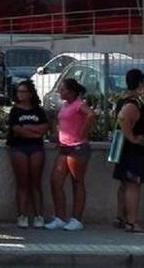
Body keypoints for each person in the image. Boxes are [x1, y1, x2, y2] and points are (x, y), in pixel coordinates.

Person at [45, 78, 95, 231]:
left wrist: (82, 132)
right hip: (64, 147)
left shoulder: (79, 104)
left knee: (77, 182)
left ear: (72, 92)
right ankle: (60, 217)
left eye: (63, 90)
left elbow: (91, 115)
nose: (60, 92)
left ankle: (76, 219)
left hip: (78, 147)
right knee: (56, 181)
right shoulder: (65, 105)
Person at [113, 69, 144, 233]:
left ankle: (121, 217)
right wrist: (132, 137)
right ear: (140, 83)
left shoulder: (123, 100)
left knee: (124, 185)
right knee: (133, 185)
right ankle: (132, 222)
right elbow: (123, 118)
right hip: (134, 152)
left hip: (126, 151)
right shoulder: (132, 103)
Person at [7, 80, 49, 229]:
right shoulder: (15, 111)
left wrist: (29, 128)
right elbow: (17, 130)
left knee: (35, 183)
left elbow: (44, 128)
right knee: (22, 183)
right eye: (19, 92)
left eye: (23, 91)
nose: (21, 94)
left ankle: (39, 216)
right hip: (19, 147)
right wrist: (33, 131)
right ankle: (22, 215)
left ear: (30, 93)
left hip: (36, 148)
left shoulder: (38, 111)